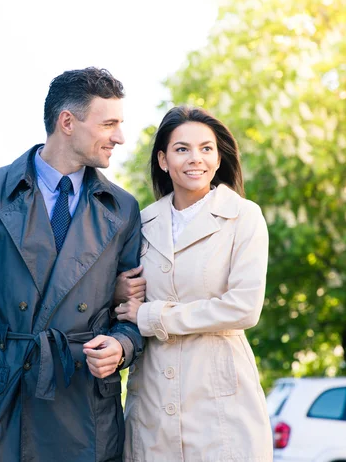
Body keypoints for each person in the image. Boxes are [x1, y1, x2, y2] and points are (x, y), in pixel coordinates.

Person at [0, 67, 144, 462]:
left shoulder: (122, 209)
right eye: (109, 123)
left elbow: (132, 312)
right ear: (68, 122)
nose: (120, 137)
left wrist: (121, 345)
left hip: (85, 407)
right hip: (0, 403)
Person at [115, 106, 273, 461]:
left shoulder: (244, 217)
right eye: (182, 149)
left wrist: (153, 316)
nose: (195, 159)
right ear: (162, 159)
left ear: (219, 159)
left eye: (206, 148)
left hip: (220, 403)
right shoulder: (141, 224)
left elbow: (244, 307)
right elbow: (123, 296)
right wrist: (119, 293)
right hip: (153, 400)